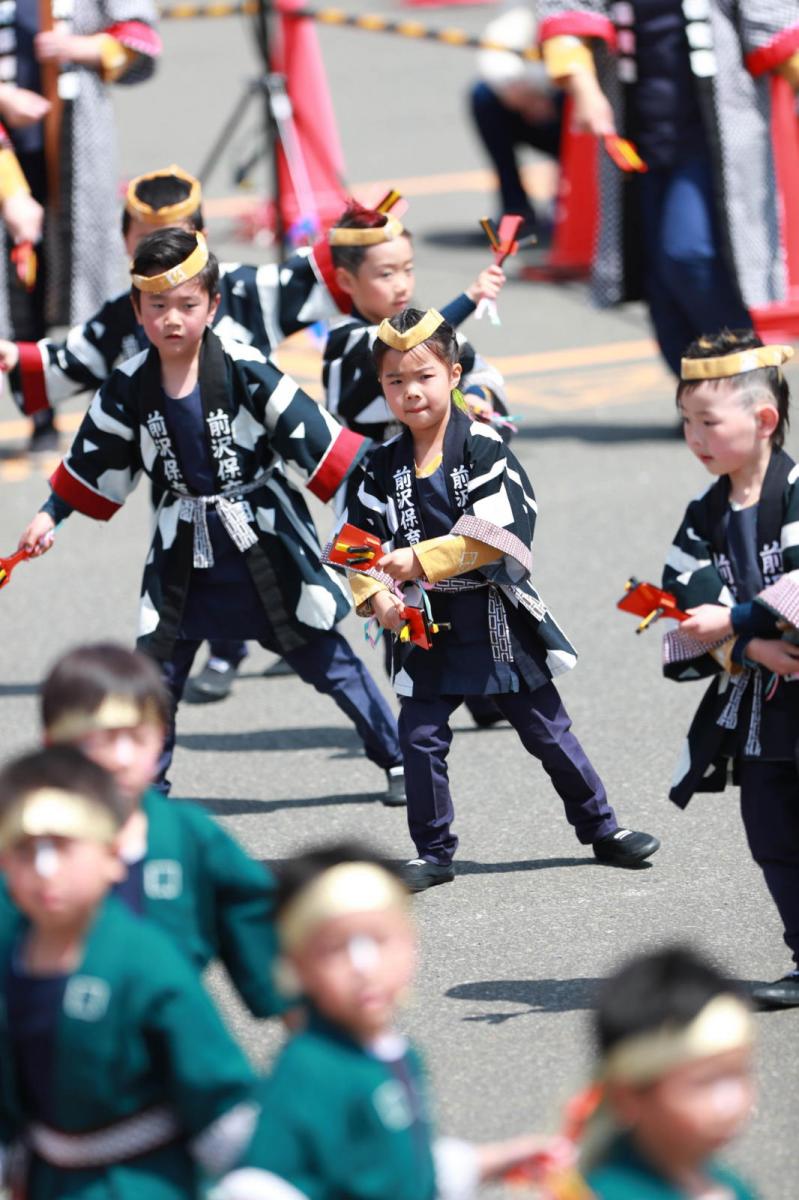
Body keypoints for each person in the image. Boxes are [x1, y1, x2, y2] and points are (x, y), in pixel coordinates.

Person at [17, 228, 407, 806]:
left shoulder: (244, 366)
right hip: (183, 549)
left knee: (325, 656)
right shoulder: (129, 384)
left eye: (187, 305)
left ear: (213, 305)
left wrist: (375, 512)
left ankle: (397, 758)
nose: (172, 319)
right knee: (158, 675)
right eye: (157, 307)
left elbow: (316, 438)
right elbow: (96, 455)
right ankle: (149, 786)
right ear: (137, 310)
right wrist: (52, 514)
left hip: (263, 536)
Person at [0, 163, 351, 701]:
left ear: (203, 239)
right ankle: (226, 653)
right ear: (126, 243)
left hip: (248, 474)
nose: (169, 305)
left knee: (278, 578)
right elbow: (74, 357)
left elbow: (306, 277)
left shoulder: (241, 288)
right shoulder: (128, 313)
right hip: (176, 480)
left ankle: (293, 641)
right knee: (186, 584)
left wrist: (354, 241)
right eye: (145, 240)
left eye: (180, 238)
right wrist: (19, 358)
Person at [340, 307, 659, 891]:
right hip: (423, 621)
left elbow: (500, 533)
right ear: (381, 386)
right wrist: (378, 599)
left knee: (545, 730)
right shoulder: (379, 466)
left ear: (454, 374)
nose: (411, 392)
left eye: (424, 376)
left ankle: (602, 828)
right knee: (420, 737)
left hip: (493, 615)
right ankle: (432, 850)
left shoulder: (483, 448)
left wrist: (417, 558)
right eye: (395, 381)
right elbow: (356, 545)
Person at [213, 841, 569, 1200]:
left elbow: (387, 1169)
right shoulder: (309, 1071)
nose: (363, 968)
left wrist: (491, 1161)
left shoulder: (396, 1053)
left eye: (380, 940)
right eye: (336, 948)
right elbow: (258, 1186)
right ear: (296, 963)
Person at [0, 745, 258, 1199]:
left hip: (143, 1181)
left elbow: (219, 1098)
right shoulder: (10, 956)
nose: (44, 870)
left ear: (113, 852)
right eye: (24, 850)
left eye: (62, 845)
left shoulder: (147, 962)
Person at [324, 198, 511, 729]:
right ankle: (419, 695)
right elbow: (369, 380)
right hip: (377, 488)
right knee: (393, 592)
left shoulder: (429, 338)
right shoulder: (344, 341)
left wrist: (478, 399)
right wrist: (467, 298)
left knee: (455, 579)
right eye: (384, 274)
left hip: (436, 483)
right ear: (347, 281)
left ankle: (478, 688)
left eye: (407, 269)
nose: (400, 284)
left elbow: (476, 368)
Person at [537, 2, 799, 377]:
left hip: (713, 134)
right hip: (633, 131)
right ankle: (699, 394)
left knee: (688, 254)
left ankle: (742, 376)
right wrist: (585, 89)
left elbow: (777, 23)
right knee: (655, 274)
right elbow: (567, 11)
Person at [33, 640, 285, 1017]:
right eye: (99, 738)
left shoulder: (188, 834)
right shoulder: (26, 839)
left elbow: (251, 908)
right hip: (60, 1037)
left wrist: (287, 1006)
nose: (121, 758)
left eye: (137, 737)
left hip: (173, 1029)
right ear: (53, 742)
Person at [662, 330, 799, 1008]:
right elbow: (677, 595)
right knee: (769, 828)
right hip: (762, 699)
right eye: (685, 421)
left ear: (763, 420)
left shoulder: (795, 488)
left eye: (707, 422)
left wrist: (737, 621)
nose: (694, 436)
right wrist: (749, 649)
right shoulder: (705, 512)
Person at [0, 0, 161, 450]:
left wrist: (83, 46)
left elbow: (142, 40)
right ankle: (40, 416)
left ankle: (110, 417)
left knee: (92, 282)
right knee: (17, 290)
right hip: (8, 157)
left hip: (77, 142)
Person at [576, 946, 757, 1199]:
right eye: (703, 1083)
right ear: (626, 1096)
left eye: (739, 1073)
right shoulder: (604, 1193)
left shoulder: (726, 1182)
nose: (732, 1102)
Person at [470, 4, 563, 239]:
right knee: (483, 97)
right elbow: (494, 56)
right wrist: (528, 96)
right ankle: (516, 208)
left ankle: (567, 205)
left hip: (573, 106)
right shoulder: (522, 15)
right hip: (534, 104)